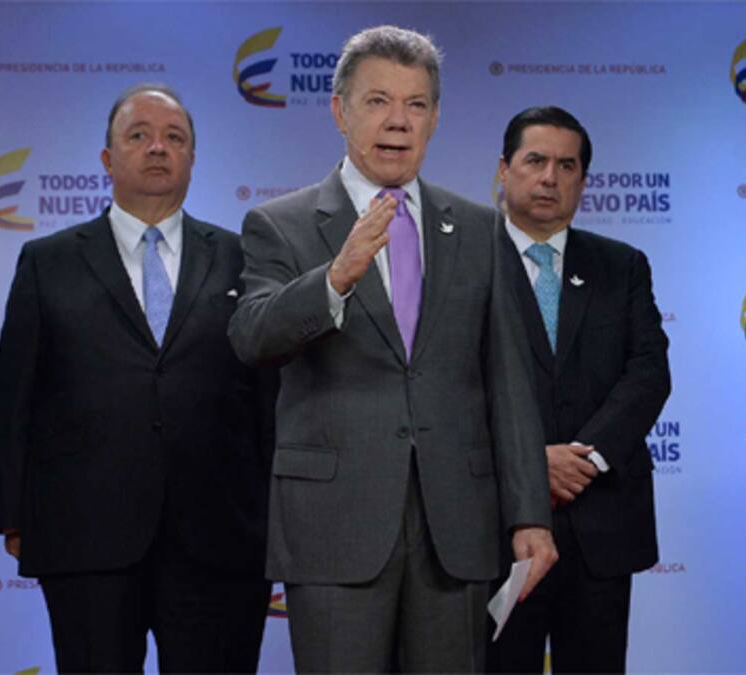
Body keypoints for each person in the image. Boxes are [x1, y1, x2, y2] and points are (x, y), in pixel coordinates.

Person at [228, 25, 557, 673]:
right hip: (334, 527)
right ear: (340, 111)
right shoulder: (280, 224)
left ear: (434, 119)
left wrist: (529, 514)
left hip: (454, 529)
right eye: (378, 101)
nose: (398, 121)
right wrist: (335, 278)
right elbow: (252, 336)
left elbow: (509, 381)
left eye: (415, 104)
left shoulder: (480, 228)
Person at [0, 84, 274, 673]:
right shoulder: (48, 261)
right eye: (139, 135)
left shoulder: (243, 258)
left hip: (222, 536)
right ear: (107, 158)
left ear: (192, 157)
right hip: (85, 535)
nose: (158, 148)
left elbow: (269, 399)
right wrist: (14, 515)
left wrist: (279, 520)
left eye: (174, 137)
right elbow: (14, 397)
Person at [483, 106, 670, 673]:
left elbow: (649, 373)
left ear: (583, 181)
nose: (550, 177)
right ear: (504, 169)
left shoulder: (622, 265)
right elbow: (450, 384)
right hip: (495, 526)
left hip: (601, 524)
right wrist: (529, 461)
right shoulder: (467, 263)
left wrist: (583, 459)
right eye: (535, 161)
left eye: (567, 166)